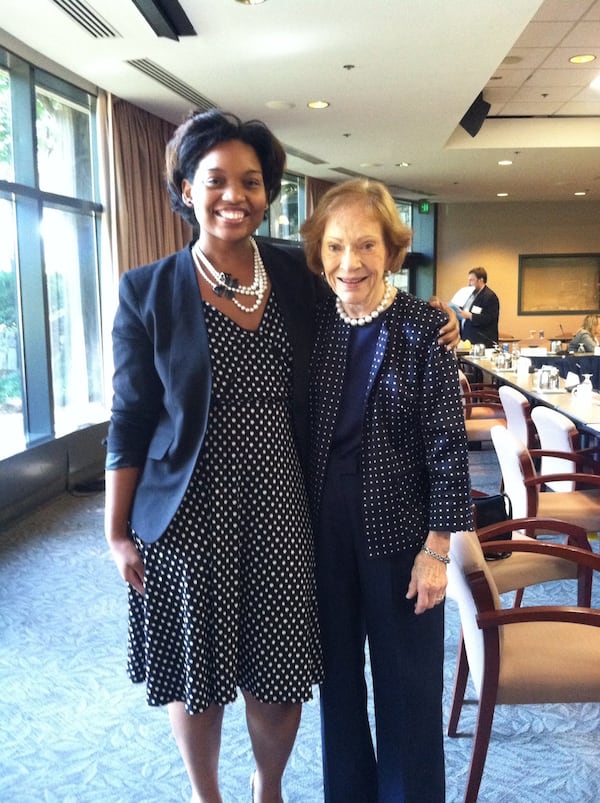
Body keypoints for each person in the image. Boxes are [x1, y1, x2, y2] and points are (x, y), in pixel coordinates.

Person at [104, 109, 460, 803]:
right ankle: (207, 794)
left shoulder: (297, 276)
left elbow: (371, 299)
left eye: (251, 181)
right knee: (198, 671)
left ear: (268, 194)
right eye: (215, 180)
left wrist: (437, 316)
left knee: (282, 667)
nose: (232, 195)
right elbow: (131, 416)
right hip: (187, 511)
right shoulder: (147, 289)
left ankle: (269, 788)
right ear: (184, 187)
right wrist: (116, 528)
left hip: (287, 505)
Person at [301, 178, 473, 803]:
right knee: (338, 685)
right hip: (323, 530)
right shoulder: (311, 321)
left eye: (367, 246)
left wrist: (438, 549)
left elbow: (449, 449)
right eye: (337, 246)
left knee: (406, 688)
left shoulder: (422, 329)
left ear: (392, 251)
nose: (351, 263)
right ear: (319, 253)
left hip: (403, 533)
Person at [456, 266, 499, 347]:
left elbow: (489, 318)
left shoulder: (490, 296)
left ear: (481, 280)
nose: (469, 284)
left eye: (471, 280)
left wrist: (470, 316)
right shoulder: (468, 294)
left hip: (482, 342)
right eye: (468, 280)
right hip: (466, 339)